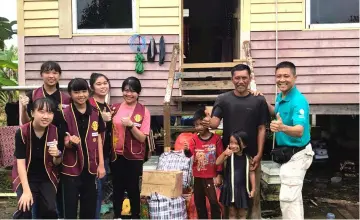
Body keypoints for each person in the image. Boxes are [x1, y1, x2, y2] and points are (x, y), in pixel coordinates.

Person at [202, 64, 269, 218]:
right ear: (232, 79)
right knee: (229, 196)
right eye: (237, 78)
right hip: (229, 156)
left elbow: (261, 128)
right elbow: (214, 122)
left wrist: (259, 154)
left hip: (251, 158)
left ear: (250, 79)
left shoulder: (258, 100)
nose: (241, 81)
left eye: (244, 78)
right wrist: (207, 121)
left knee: (252, 194)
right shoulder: (223, 99)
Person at [18, 61, 70, 218]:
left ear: (59, 75)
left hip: (60, 147)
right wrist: (23, 107)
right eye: (47, 72)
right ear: (41, 74)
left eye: (55, 72)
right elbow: (25, 121)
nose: (51, 76)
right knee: (31, 201)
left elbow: (70, 122)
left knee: (55, 194)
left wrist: (66, 141)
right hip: (36, 145)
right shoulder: (33, 96)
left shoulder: (66, 98)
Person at [267, 61, 313, 219]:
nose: (282, 79)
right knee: (294, 198)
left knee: (288, 199)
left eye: (286, 76)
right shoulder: (281, 96)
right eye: (278, 76)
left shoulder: (298, 101)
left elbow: (300, 131)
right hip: (289, 154)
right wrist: (264, 103)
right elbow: (278, 112)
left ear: (295, 77)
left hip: (298, 156)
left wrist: (282, 128)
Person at [61, 78, 106, 219]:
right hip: (70, 169)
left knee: (89, 208)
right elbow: (62, 140)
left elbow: (98, 138)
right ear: (70, 94)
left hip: (91, 167)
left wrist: (101, 165)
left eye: (84, 91)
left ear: (89, 92)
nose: (81, 95)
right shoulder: (63, 114)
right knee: (70, 208)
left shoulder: (95, 113)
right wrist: (69, 142)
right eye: (76, 92)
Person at [12, 98, 62, 219]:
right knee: (25, 208)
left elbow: (57, 163)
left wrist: (57, 155)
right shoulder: (22, 132)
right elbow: (20, 163)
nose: (46, 116)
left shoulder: (55, 131)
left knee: (50, 210)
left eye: (50, 112)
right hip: (26, 176)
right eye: (41, 111)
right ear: (32, 113)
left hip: (47, 177)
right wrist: (26, 191)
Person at [111, 76, 151, 219]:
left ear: (138, 93)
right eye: (126, 90)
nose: (128, 94)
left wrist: (131, 125)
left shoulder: (144, 111)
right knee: (117, 187)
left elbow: (142, 138)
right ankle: (117, 216)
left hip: (134, 156)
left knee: (133, 187)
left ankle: (135, 215)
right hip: (116, 155)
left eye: (132, 91)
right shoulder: (114, 108)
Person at [183, 109, 223, 219]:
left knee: (214, 202)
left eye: (201, 124)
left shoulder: (216, 139)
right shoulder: (194, 139)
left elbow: (221, 157)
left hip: (211, 177)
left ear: (206, 123)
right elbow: (189, 154)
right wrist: (186, 150)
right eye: (196, 125)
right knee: (199, 203)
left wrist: (219, 175)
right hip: (198, 177)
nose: (199, 127)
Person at [89, 73, 113, 218]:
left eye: (105, 83)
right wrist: (102, 120)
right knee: (96, 191)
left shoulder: (107, 106)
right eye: (99, 84)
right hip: (95, 156)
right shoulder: (91, 106)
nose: (103, 86)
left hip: (106, 154)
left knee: (101, 189)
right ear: (92, 87)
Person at [216, 131, 255, 219]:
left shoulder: (248, 158)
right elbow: (217, 162)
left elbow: (251, 173)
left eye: (236, 143)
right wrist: (224, 153)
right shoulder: (228, 156)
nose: (233, 145)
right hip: (230, 189)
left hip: (243, 190)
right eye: (231, 142)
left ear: (244, 145)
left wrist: (253, 189)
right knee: (232, 213)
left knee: (242, 214)